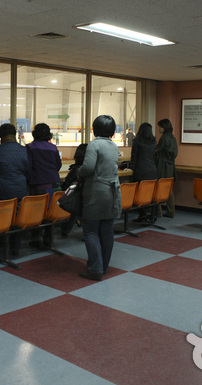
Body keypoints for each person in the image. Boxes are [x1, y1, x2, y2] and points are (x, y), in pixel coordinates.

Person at [77, 115, 121, 281]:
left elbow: (88, 167)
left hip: (96, 192)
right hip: (112, 193)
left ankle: (95, 269)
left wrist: (79, 172)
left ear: (95, 128)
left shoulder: (94, 144)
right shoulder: (113, 146)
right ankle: (103, 267)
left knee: (90, 230)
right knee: (107, 231)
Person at [0, 123, 29, 254]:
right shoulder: (23, 150)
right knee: (17, 217)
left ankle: (2, 243)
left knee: (2, 215)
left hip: (2, 189)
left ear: (1, 136)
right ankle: (15, 247)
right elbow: (27, 169)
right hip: (20, 188)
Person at [26, 123, 62, 247]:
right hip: (54, 182)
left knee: (37, 211)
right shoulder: (53, 147)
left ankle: (36, 239)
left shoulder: (30, 147)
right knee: (51, 212)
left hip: (38, 183)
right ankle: (48, 239)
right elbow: (58, 165)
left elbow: (28, 166)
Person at [124, 122, 158, 221]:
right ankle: (153, 215)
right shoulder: (153, 142)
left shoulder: (137, 140)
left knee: (138, 193)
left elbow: (134, 156)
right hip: (152, 170)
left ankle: (142, 214)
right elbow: (154, 157)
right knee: (151, 194)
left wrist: (131, 168)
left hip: (141, 171)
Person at [59, 143, 87, 237]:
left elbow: (66, 185)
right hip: (87, 198)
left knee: (73, 202)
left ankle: (65, 229)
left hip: (76, 199)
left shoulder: (76, 169)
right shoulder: (90, 168)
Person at [155, 118, 178, 218]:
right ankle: (171, 211)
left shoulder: (164, 138)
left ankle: (158, 212)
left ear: (164, 127)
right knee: (169, 190)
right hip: (170, 167)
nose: (159, 128)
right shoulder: (173, 138)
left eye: (160, 126)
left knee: (158, 189)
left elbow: (157, 151)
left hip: (162, 166)